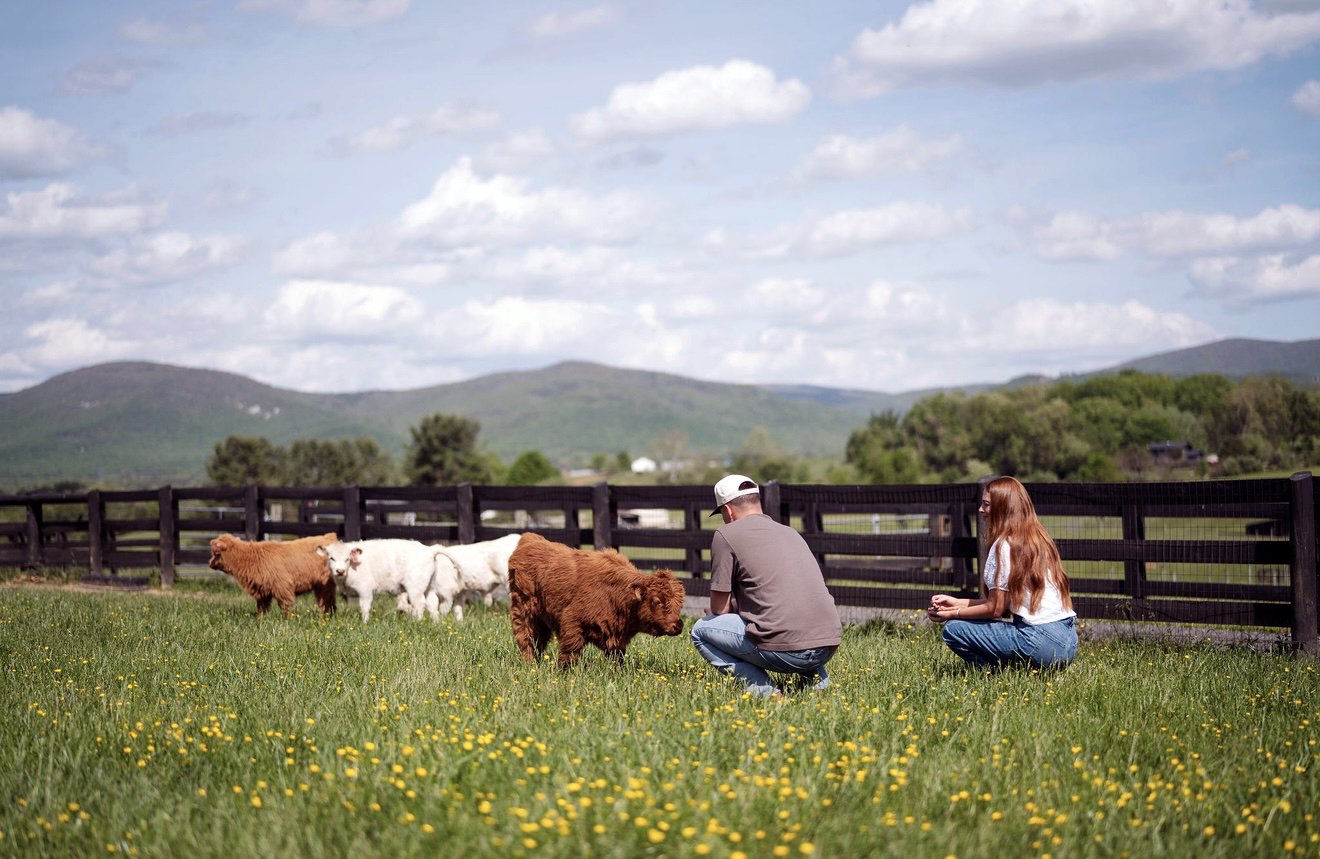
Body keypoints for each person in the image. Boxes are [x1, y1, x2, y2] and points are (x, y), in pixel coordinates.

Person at [690, 474, 842, 697]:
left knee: (700, 631)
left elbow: (720, 609)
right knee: (793, 617)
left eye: (721, 513)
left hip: (786, 651)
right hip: (828, 644)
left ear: (728, 510)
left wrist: (723, 613)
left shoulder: (726, 534)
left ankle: (765, 692)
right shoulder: (790, 533)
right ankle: (817, 684)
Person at [927, 476, 1077, 669]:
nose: (981, 510)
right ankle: (1023, 671)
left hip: (1039, 642)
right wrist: (957, 602)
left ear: (1003, 508)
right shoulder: (1039, 540)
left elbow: (995, 610)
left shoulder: (1004, 546)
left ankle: (996, 674)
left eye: (987, 504)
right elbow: (1002, 604)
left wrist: (953, 614)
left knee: (954, 630)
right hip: (1068, 642)